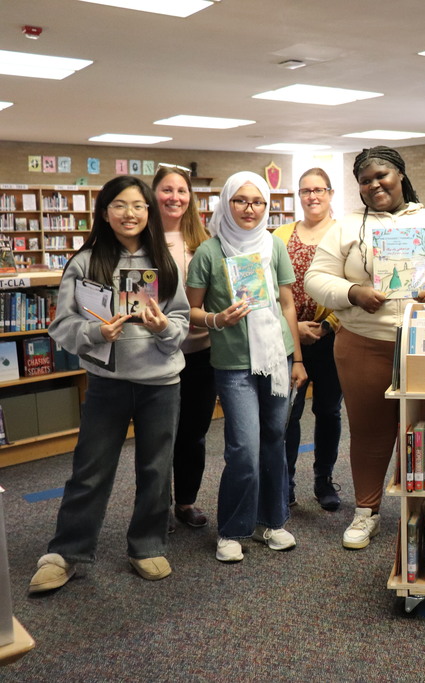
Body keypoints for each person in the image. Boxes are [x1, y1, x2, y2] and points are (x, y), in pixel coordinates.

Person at [305, 146, 425, 549]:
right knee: (369, 431)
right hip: (366, 343)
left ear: (400, 175)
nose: (374, 184)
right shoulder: (347, 227)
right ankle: (366, 512)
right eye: (365, 180)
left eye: (382, 175)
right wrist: (352, 292)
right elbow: (317, 277)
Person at [29, 176, 190, 593]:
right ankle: (67, 552)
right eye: (119, 205)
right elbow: (62, 326)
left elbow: (182, 321)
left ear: (149, 212)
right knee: (91, 469)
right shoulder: (85, 262)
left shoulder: (163, 261)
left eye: (138, 206)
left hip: (161, 382)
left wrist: (162, 329)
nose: (130, 214)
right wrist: (98, 334)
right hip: (107, 382)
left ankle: (147, 544)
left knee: (156, 469)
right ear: (104, 212)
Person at [185, 171, 306, 563]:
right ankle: (233, 529)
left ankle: (273, 521)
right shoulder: (210, 251)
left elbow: (288, 304)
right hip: (234, 363)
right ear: (226, 203)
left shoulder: (273, 246)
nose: (249, 209)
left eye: (257, 201)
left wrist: (298, 358)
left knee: (274, 439)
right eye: (240, 200)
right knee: (243, 448)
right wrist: (218, 320)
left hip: (277, 357)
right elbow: (189, 312)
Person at [274, 168, 343, 511]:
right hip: (288, 338)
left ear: (330, 193)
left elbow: (353, 285)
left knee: (328, 411)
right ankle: (285, 484)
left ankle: (324, 480)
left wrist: (327, 324)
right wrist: (292, 327)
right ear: (298, 196)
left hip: (331, 338)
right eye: (305, 191)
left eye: (319, 190)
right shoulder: (280, 234)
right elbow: (269, 286)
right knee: (289, 412)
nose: (312, 196)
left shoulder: (344, 233)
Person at [152, 165, 216, 531]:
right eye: (167, 190)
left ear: (190, 197)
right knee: (159, 435)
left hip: (202, 351)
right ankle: (155, 506)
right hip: (158, 352)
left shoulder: (203, 241)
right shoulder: (141, 240)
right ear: (154, 194)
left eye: (181, 191)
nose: (175, 197)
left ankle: (186, 501)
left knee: (193, 433)